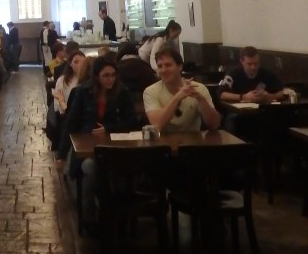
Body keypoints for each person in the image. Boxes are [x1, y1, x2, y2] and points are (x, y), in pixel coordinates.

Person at [57, 55, 139, 233]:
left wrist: (109, 128)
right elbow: (71, 124)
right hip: (88, 149)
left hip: (116, 148)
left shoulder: (122, 92)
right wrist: (61, 155)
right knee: (92, 167)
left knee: (122, 168)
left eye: (113, 75)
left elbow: (132, 122)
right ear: (96, 77)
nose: (110, 79)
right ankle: (90, 217)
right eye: (106, 76)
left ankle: (118, 213)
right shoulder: (83, 92)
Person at [143, 47, 221, 133]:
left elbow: (214, 125)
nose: (163, 70)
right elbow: (157, 125)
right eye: (160, 66)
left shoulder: (198, 88)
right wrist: (177, 97)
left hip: (193, 140)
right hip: (163, 140)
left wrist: (201, 99)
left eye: (168, 65)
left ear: (180, 66)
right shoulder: (150, 91)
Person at [218, 46, 285, 105]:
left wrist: (270, 96)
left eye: (256, 63)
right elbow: (221, 94)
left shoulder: (267, 74)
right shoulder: (233, 73)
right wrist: (243, 97)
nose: (253, 67)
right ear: (242, 62)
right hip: (239, 111)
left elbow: (283, 92)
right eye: (249, 64)